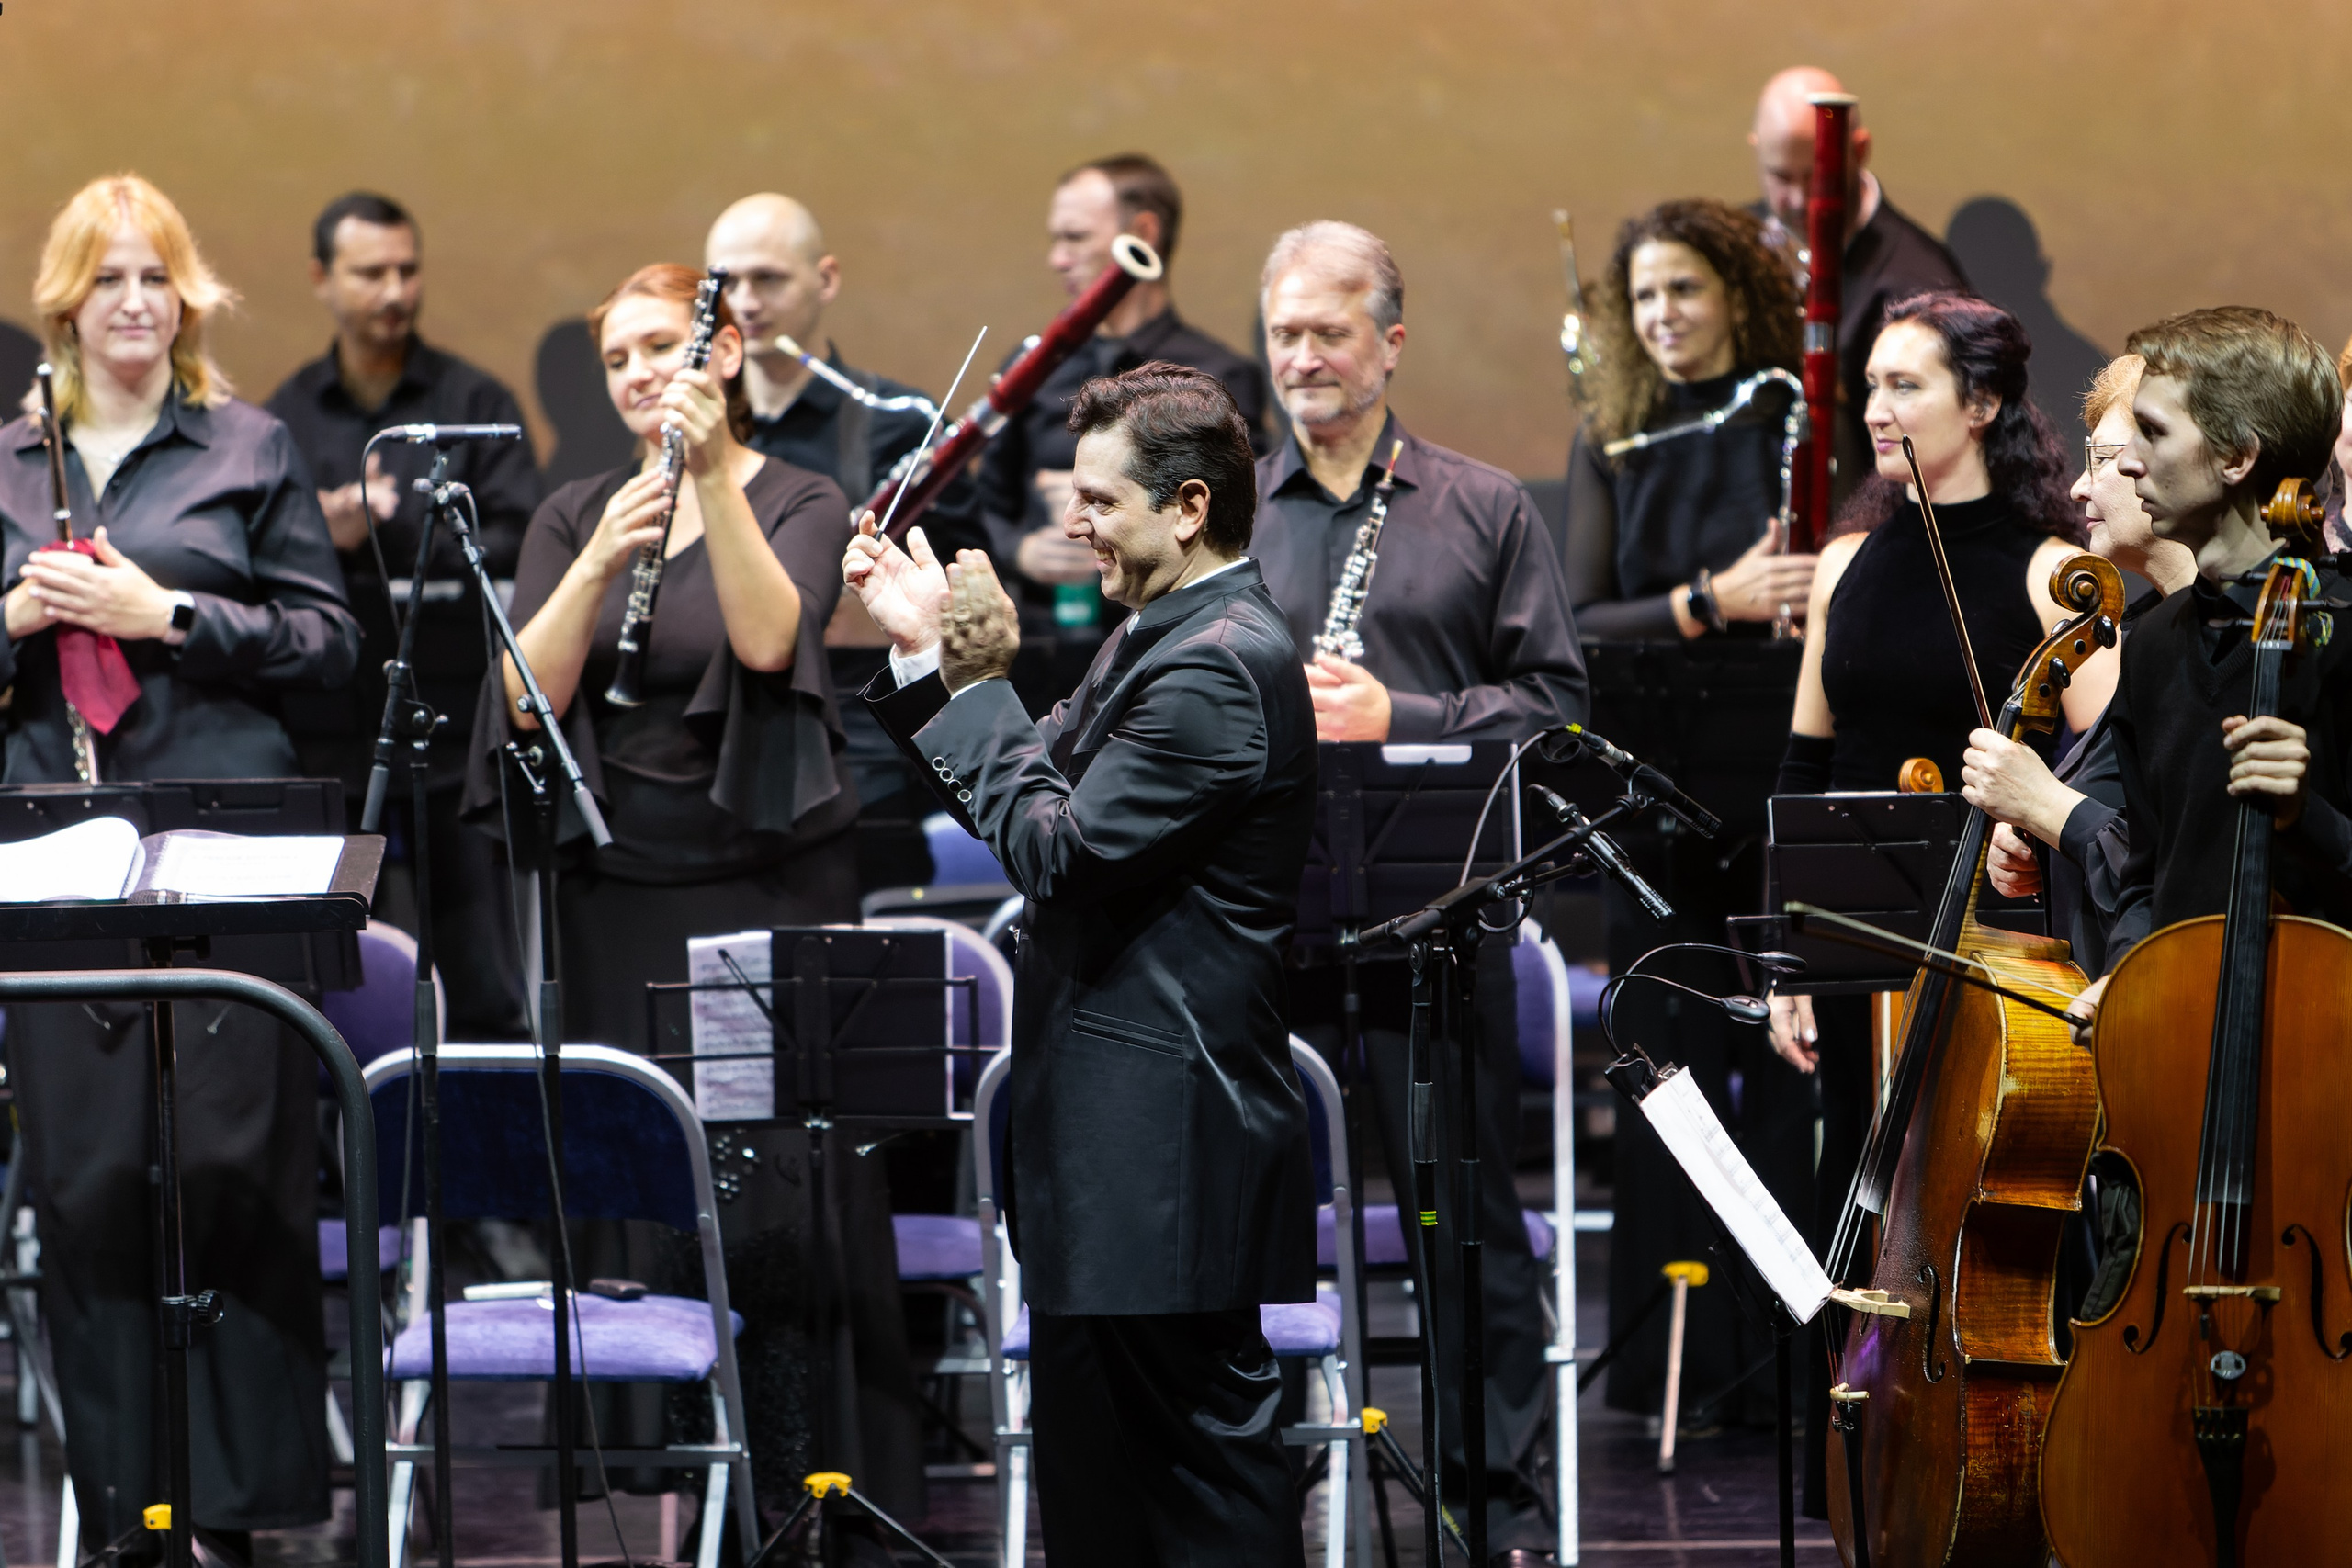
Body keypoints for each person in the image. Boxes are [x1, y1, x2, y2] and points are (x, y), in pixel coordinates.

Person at [459, 264, 921, 1520]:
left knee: (775, 1184)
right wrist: (600, 557)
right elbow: (524, 698)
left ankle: (804, 1491)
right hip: (621, 882)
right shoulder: (573, 511)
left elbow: (774, 640)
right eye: (619, 357)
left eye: (663, 346)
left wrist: (713, 478)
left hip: (768, 876)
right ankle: (658, 1495)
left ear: (721, 358)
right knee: (639, 1181)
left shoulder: (807, 494)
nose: (639, 374)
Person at [844, 361, 1317, 1566]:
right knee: (1105, 1491)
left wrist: (968, 671)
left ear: (1192, 504)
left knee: (1197, 1492)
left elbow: (1052, 845)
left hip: (1164, 1145)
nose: (1072, 525)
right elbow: (1027, 788)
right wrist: (923, 651)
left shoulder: (1213, 663)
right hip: (1117, 1150)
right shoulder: (1158, 637)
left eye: (1099, 502)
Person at [0, 174, 360, 1551]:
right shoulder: (9, 463)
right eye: (111, 280)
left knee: (232, 1168)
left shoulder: (247, 444)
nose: (137, 302)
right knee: (88, 1185)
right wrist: (19, 608)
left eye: (158, 278)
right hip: (57, 856)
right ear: (67, 304)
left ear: (187, 299)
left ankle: (243, 1502)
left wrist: (175, 613)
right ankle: (125, 1507)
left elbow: (328, 647)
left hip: (222, 851)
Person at [1247, 219, 1582, 1553]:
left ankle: (1480, 1499)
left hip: (1436, 929)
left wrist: (1404, 711)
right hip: (1271, 933)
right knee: (1259, 1225)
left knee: (1464, 1226)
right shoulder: (1233, 510)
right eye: (1284, 333)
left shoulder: (1483, 505)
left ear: (1392, 343)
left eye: (1331, 331)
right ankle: (1258, 1488)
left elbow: (1559, 715)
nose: (1305, 357)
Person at [1765, 290, 2111, 1517]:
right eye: (1871, 386)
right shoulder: (1853, 559)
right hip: (1863, 950)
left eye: (1908, 386)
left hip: (1992, 961)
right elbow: (1807, 764)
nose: (1879, 409)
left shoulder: (2045, 570)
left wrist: (2027, 821)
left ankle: (2009, 1480)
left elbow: (2102, 769)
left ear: (1986, 404)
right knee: (1860, 1224)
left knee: (1989, 1228)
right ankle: (1866, 1480)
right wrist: (1788, 957)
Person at [1561, 197, 1819, 1424]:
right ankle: (1683, 1351)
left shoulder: (1790, 411)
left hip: (1770, 772)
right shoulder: (1610, 431)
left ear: (1735, 296)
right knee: (1667, 1066)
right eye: (1645, 296)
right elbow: (1580, 617)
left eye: (1686, 291)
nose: (1663, 316)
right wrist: (1708, 601)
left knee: (1781, 1069)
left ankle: (1782, 1353)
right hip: (1650, 792)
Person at [266, 190, 540, 1035]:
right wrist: (330, 528)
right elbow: (260, 558)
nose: (395, 291)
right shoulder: (288, 412)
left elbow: (522, 544)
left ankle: (490, 1147)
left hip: (458, 734)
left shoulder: (474, 400)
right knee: (341, 977)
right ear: (322, 279)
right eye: (371, 272)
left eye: (408, 269)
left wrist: (403, 520)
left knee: (484, 976)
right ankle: (347, 1155)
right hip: (332, 737)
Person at [2064, 307, 2352, 1032]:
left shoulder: (2343, 630)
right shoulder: (2157, 643)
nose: (2128, 464)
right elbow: (2145, 878)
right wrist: (2126, 971)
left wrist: (2305, 815)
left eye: (2154, 434)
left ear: (2236, 457)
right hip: (2177, 1043)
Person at [705, 192, 986, 888]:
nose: (744, 301)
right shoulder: (696, 434)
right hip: (723, 744)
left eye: (767, 278)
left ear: (824, 280)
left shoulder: (901, 421)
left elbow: (964, 593)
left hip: (864, 754)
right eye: (725, 283)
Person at [978, 154, 1271, 707]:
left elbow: (1240, 528)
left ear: (1142, 234)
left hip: (1170, 653)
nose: (1056, 259)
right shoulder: (1033, 368)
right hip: (1038, 654)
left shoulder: (1220, 377)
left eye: (1075, 238)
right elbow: (981, 506)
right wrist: (1021, 551)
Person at [1960, 354, 2199, 976]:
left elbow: (2189, 881)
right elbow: (2124, 831)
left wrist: (2047, 806)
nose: (2078, 486)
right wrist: (2040, 841)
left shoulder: (2209, 649)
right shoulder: (2148, 632)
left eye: (2101, 459)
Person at [1749, 66, 1969, 507]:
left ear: (1860, 150)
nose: (1796, 201)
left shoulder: (1920, 281)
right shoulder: (1738, 244)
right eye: (1779, 176)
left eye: (1813, 177)